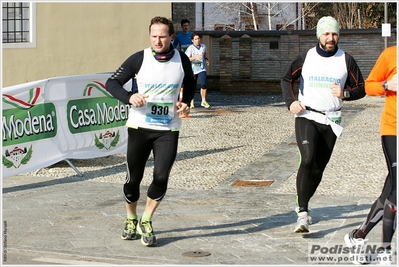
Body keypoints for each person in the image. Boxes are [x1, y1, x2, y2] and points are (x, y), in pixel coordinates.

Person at [105, 16, 196, 247]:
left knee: (161, 176)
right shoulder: (139, 58)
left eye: (162, 36)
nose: (157, 40)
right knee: (133, 179)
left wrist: (186, 101)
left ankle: (146, 219)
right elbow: (111, 83)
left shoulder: (182, 60)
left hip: (168, 128)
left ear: (171, 37)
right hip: (139, 127)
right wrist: (129, 96)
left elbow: (191, 82)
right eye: (153, 36)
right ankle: (130, 218)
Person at [281, 16, 366, 233]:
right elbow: (286, 79)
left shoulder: (346, 60)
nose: (331, 38)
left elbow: (362, 88)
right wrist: (291, 102)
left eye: (334, 34)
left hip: (332, 119)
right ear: (319, 35)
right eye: (326, 34)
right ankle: (302, 212)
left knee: (319, 168)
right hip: (307, 116)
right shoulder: (306, 57)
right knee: (308, 158)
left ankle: (302, 200)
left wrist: (346, 93)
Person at [344, 46, 397, 265]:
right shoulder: (391, 54)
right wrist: (387, 85)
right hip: (393, 129)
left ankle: (358, 236)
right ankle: (385, 250)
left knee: (390, 191)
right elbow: (369, 86)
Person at [185, 32, 210, 108]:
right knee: (192, 86)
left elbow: (204, 54)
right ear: (192, 40)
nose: (198, 40)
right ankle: (191, 101)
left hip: (201, 69)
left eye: (198, 38)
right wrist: (195, 58)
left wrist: (206, 59)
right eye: (196, 39)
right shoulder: (190, 48)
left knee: (203, 84)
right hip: (193, 70)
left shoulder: (203, 46)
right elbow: (187, 59)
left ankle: (203, 100)